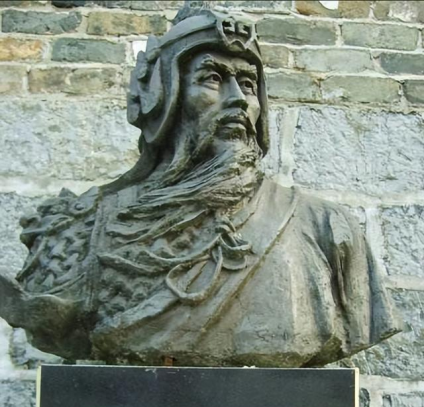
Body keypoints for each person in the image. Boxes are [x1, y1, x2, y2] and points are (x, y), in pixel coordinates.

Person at [0, 7, 401, 365]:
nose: (238, 100)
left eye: (248, 84)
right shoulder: (85, 226)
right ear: (166, 99)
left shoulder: (326, 229)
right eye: (212, 78)